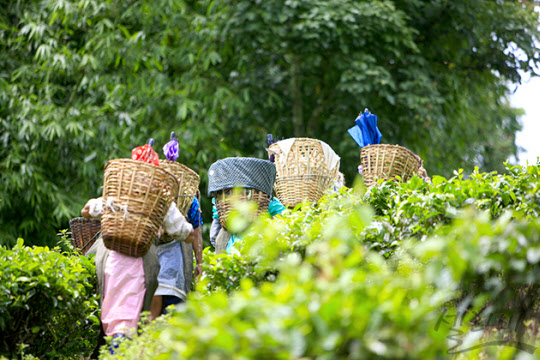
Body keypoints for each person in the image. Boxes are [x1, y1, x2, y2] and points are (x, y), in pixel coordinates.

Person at [82, 197, 187, 354]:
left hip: (114, 260)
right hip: (143, 261)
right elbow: (182, 230)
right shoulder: (158, 197)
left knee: (115, 317)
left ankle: (115, 346)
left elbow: (86, 210)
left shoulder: (119, 193)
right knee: (131, 320)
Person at [150, 196, 203, 317]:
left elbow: (195, 231)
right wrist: (200, 262)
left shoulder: (187, 198)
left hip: (173, 261)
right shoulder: (185, 197)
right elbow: (194, 231)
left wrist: (200, 263)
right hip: (169, 263)